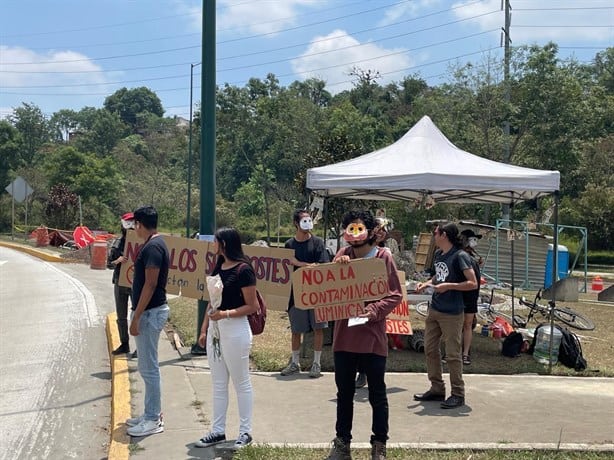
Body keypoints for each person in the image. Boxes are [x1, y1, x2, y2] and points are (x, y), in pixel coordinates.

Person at [326, 210, 402, 460]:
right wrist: (336, 272)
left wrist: (372, 311)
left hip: (372, 339)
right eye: (350, 228)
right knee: (344, 394)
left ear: (370, 232)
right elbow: (326, 288)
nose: (354, 234)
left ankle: (379, 444)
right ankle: (342, 443)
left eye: (359, 229)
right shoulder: (342, 255)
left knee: (377, 394)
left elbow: (394, 295)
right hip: (344, 338)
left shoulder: (383, 258)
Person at [195, 227, 258, 449]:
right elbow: (212, 302)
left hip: (235, 329)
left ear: (224, 244)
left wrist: (225, 314)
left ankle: (245, 432)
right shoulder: (218, 267)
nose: (213, 245)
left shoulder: (243, 270)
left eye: (216, 242)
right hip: (216, 329)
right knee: (219, 383)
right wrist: (204, 329)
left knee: (241, 382)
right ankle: (218, 430)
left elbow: (252, 306)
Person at [413, 223, 477, 410]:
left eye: (435, 232)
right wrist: (427, 283)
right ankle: (437, 388)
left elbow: (472, 282)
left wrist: (449, 286)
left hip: (452, 312)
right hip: (435, 308)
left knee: (452, 354)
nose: (433, 235)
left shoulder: (461, 256)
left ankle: (458, 393)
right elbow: (439, 276)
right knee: (430, 349)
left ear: (444, 235)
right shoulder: (440, 255)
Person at [125, 206, 170, 437]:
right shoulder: (155, 243)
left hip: (150, 312)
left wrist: (137, 315)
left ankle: (153, 418)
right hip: (150, 311)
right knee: (146, 366)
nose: (133, 229)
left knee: (149, 368)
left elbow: (150, 284)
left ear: (140, 224)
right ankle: (150, 413)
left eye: (134, 224)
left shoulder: (153, 247)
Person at [280, 210, 330, 379]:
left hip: (316, 295)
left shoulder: (317, 243)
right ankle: (295, 363)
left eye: (310, 220)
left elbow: (321, 266)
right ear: (296, 223)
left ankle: (316, 364)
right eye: (304, 220)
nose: (308, 223)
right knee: (296, 330)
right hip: (295, 295)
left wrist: (299, 264)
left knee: (318, 328)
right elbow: (285, 269)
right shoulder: (288, 245)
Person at [108, 212, 135, 356]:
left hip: (135, 282)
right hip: (120, 281)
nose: (130, 226)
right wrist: (117, 261)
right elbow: (109, 263)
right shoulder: (118, 243)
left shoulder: (142, 242)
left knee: (138, 314)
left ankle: (139, 347)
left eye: (133, 223)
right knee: (121, 315)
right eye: (128, 223)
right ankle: (124, 344)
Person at [460, 229, 483, 365]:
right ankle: (454, 352)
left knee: (468, 324)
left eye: (476, 240)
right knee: (457, 325)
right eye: (472, 239)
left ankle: (465, 353)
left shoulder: (472, 256)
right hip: (460, 295)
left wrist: (477, 265)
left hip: (472, 295)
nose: (475, 242)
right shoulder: (460, 255)